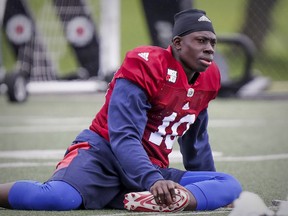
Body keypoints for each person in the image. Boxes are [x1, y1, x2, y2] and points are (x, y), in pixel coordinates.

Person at [0, 9, 242, 212]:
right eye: (201, 40)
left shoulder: (209, 78)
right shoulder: (146, 64)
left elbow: (195, 141)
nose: (210, 48)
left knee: (228, 184)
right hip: (102, 157)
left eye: (212, 42)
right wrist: (153, 180)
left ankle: (168, 201)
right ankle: (155, 196)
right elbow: (123, 135)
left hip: (151, 167)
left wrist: (206, 193)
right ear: (177, 43)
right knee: (57, 198)